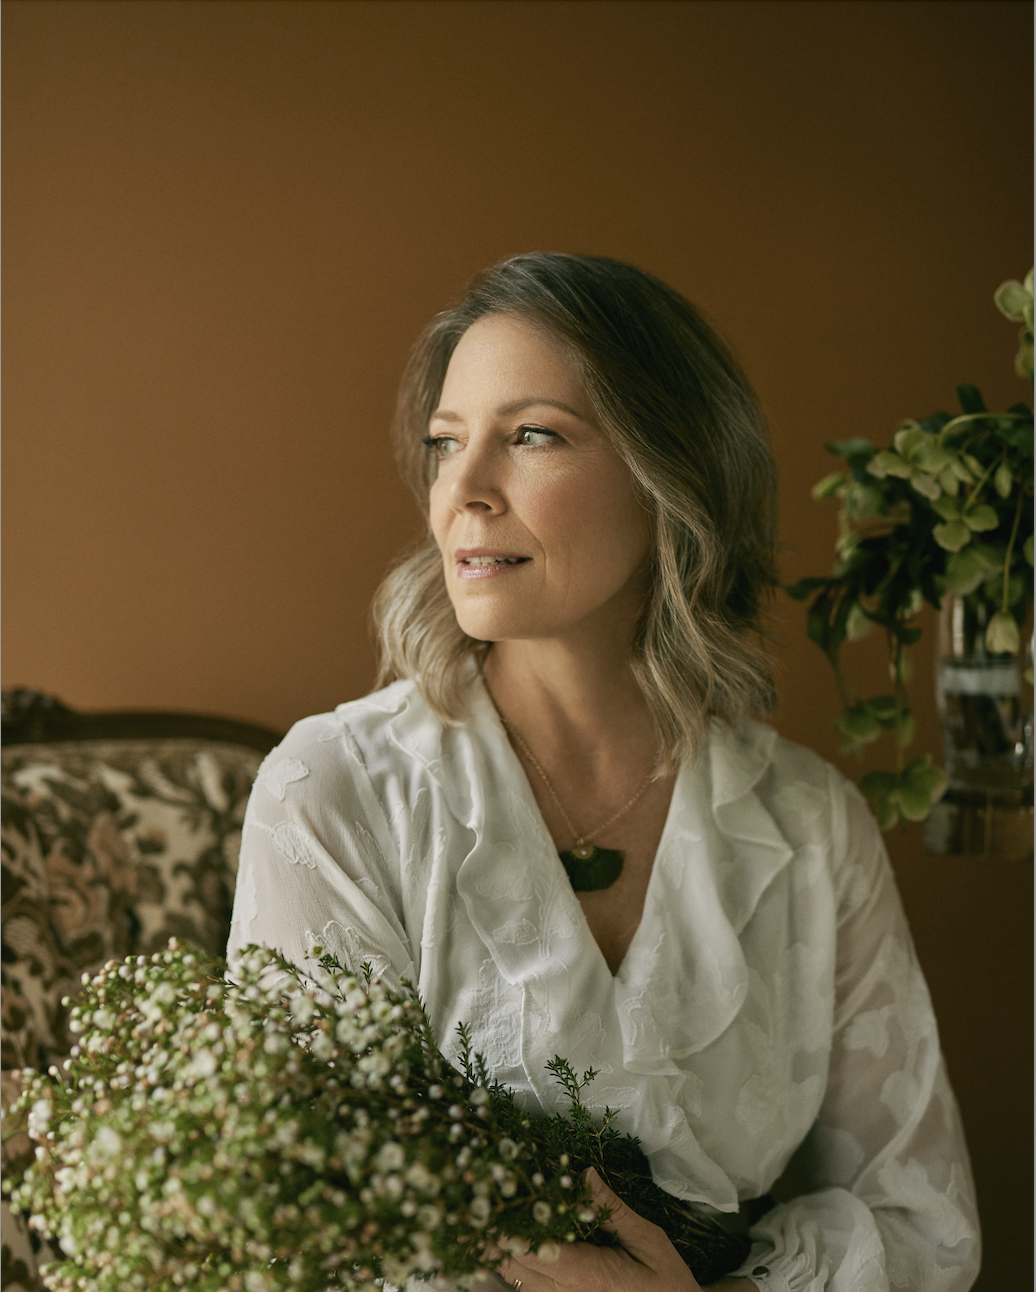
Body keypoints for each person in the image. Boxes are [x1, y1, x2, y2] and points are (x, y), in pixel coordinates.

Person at [228, 253, 980, 1291]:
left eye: (531, 435)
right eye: (446, 442)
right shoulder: (334, 792)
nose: (463, 491)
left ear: (672, 476)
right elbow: (301, 1226)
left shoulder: (811, 822)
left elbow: (923, 1222)